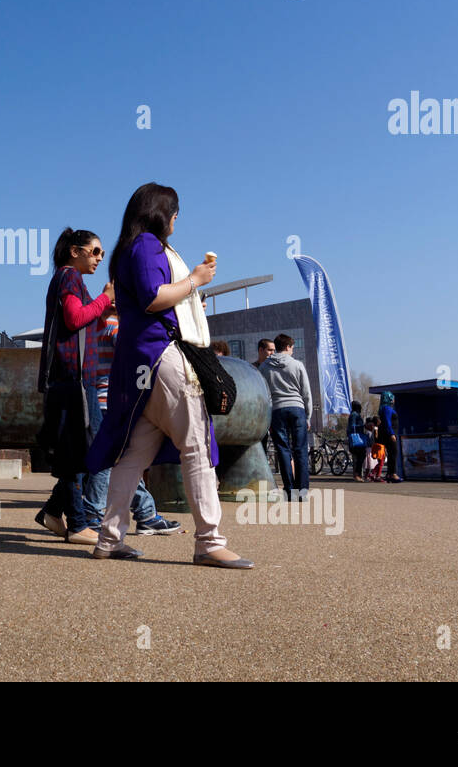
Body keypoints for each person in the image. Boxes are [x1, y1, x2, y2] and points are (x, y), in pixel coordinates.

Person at [87, 182, 252, 569]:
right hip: (161, 353)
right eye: (175, 211)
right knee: (196, 443)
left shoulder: (129, 247)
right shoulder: (147, 244)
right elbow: (152, 297)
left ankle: (109, 539)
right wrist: (195, 280)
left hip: (136, 360)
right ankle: (210, 542)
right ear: (161, 212)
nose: (177, 218)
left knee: (134, 453)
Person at [34, 228, 114, 545]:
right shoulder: (69, 277)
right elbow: (73, 318)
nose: (99, 258)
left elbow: (79, 319)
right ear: (75, 251)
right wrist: (104, 299)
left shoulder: (70, 279)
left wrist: (102, 306)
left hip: (77, 379)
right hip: (73, 379)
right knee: (82, 449)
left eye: (102, 254)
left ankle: (55, 512)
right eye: (95, 251)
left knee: (81, 448)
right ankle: (77, 522)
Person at [80, 303, 182, 536]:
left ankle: (145, 513)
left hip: (101, 397)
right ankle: (93, 513)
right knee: (114, 460)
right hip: (112, 400)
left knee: (124, 459)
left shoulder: (95, 325)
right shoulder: (114, 325)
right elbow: (135, 353)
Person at [259, 333, 314, 501]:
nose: (292, 351)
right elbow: (306, 392)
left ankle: (289, 490)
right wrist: (308, 415)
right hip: (297, 408)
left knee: (283, 450)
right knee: (300, 449)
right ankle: (302, 491)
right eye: (292, 348)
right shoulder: (297, 365)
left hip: (276, 410)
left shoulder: (264, 367)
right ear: (288, 347)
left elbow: (263, 394)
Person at [377, 391, 402, 482]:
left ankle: (389, 474)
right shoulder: (387, 408)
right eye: (393, 397)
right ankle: (393, 473)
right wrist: (391, 433)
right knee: (393, 453)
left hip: (389, 434)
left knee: (392, 453)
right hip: (389, 435)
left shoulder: (386, 408)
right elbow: (387, 422)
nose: (394, 400)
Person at [347, 400, 368, 481]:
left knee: (360, 457)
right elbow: (353, 426)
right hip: (356, 439)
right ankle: (357, 475)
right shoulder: (354, 415)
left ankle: (357, 474)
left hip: (357, 438)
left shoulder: (354, 414)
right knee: (360, 456)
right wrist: (363, 425)